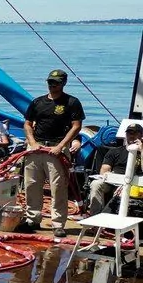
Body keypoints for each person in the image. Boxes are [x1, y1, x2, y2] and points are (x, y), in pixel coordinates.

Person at [15, 69, 84, 238]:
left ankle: (58, 223)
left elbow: (77, 126)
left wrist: (61, 146)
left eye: (56, 82)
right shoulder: (37, 102)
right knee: (31, 185)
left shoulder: (72, 102)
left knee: (58, 188)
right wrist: (32, 143)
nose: (52, 85)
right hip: (36, 147)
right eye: (50, 82)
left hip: (57, 149)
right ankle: (33, 219)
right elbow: (27, 124)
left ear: (63, 83)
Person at [88, 123, 143, 214]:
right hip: (114, 181)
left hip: (135, 183)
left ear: (141, 135)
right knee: (96, 184)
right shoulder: (115, 151)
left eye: (135, 133)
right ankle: (95, 215)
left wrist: (141, 150)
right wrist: (113, 178)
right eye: (129, 133)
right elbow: (104, 171)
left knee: (126, 190)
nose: (131, 136)